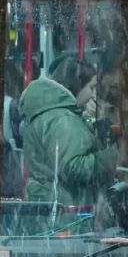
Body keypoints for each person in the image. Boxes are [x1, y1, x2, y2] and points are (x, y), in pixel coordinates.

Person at [18, 59, 118, 206]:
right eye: (91, 87)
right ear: (77, 85)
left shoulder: (51, 113)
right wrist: (112, 156)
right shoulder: (63, 119)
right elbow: (73, 167)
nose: (95, 94)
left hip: (49, 204)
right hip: (65, 210)